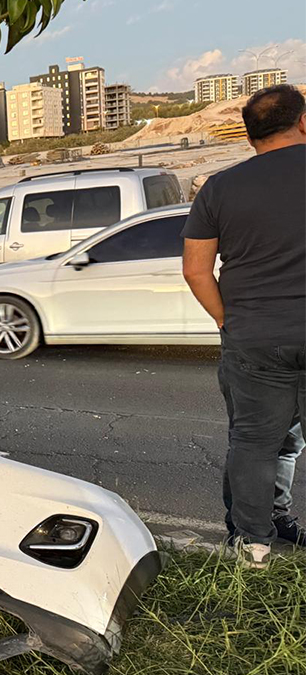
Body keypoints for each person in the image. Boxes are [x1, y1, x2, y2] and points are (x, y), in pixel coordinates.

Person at [182, 84, 306, 568]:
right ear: (301, 123)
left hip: (255, 337)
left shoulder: (219, 188)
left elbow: (196, 269)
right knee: (284, 443)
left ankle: (253, 546)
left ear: (250, 137)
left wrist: (226, 319)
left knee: (255, 441)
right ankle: (278, 522)